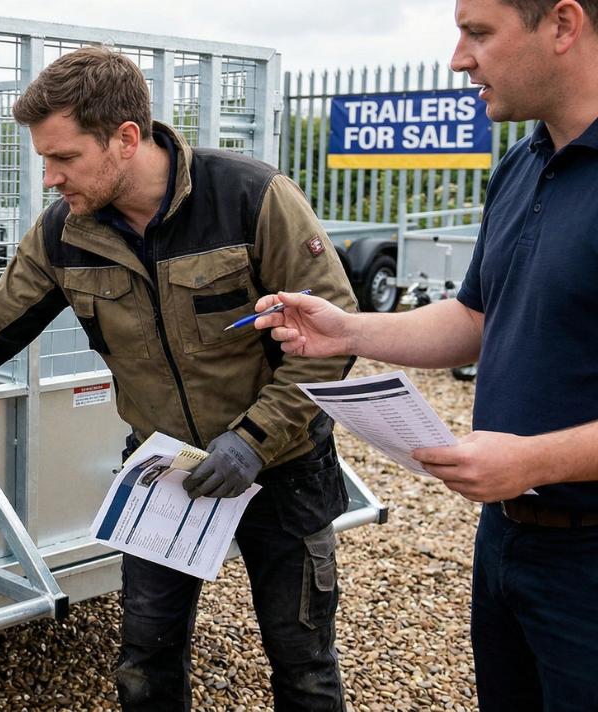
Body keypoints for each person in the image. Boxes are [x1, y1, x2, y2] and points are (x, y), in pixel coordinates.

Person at [0, 46, 358, 711]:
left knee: (304, 666)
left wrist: (254, 439)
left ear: (125, 138)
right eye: (44, 161)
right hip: (166, 470)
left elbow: (332, 335)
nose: (51, 179)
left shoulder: (252, 198)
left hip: (285, 469)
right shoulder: (67, 233)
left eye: (64, 159)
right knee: (144, 665)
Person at [253, 1, 598, 708]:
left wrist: (535, 461)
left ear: (563, 25)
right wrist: (347, 332)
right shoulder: (522, 167)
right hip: (505, 540)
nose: (458, 59)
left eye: (478, 34)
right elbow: (475, 316)